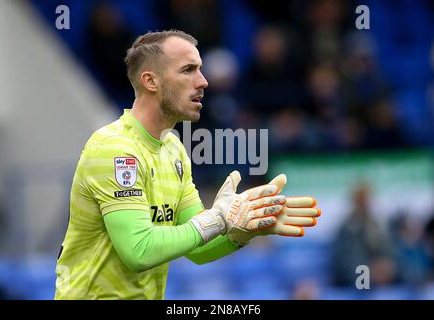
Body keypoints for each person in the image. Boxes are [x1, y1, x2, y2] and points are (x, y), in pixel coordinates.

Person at [54, 30, 321, 300]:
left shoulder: (173, 149)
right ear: (151, 81)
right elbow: (139, 251)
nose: (203, 82)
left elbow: (197, 250)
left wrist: (242, 230)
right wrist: (217, 219)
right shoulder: (115, 148)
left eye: (200, 70)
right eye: (188, 70)